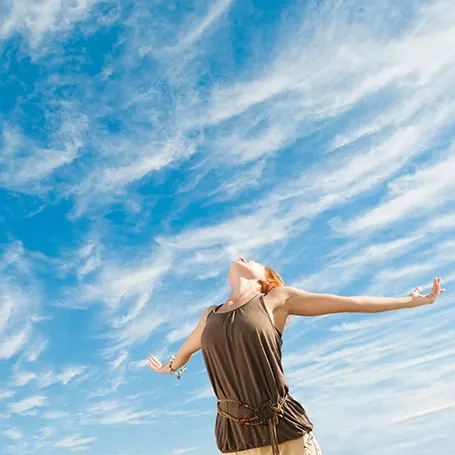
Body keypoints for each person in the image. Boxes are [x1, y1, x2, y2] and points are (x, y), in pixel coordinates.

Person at [148, 257, 445, 455]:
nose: (243, 258)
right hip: (236, 435)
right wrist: (168, 368)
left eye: (253, 260)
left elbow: (350, 303)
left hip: (285, 427)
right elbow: (185, 352)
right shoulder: (209, 317)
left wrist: (408, 302)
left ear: (265, 278)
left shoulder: (276, 299)